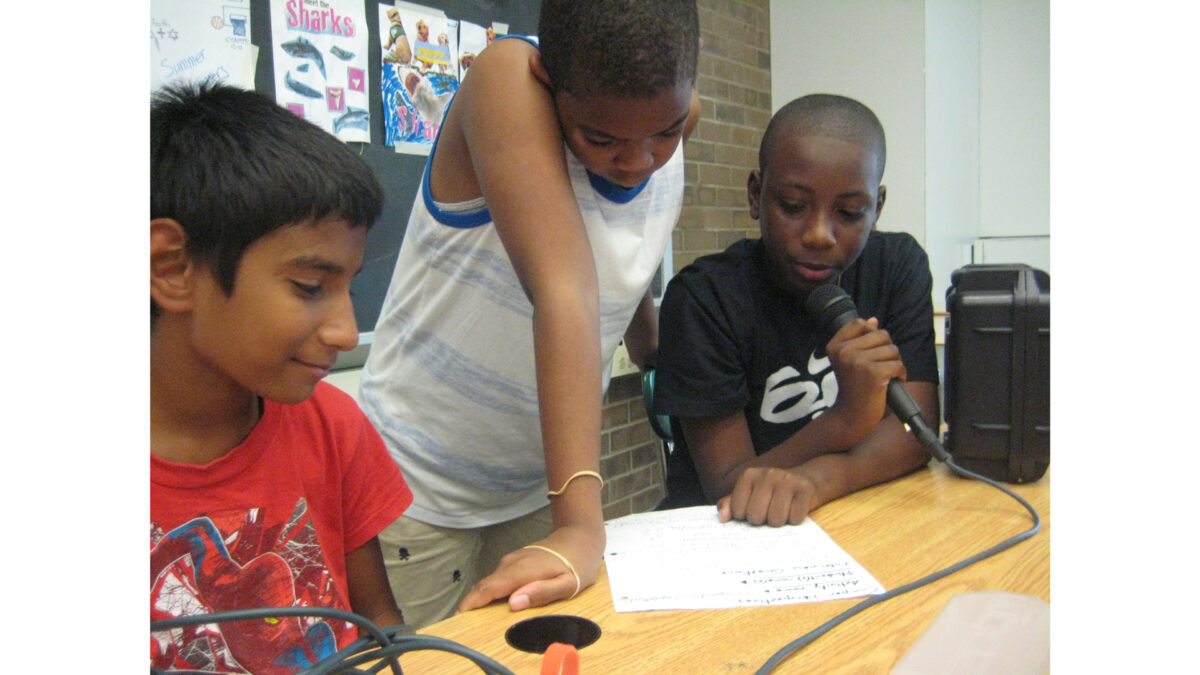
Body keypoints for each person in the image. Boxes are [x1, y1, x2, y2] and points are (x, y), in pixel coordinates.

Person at [360, 0, 701, 627]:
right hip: (418, 488)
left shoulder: (660, 121)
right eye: (600, 138)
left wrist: (651, 344)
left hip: (533, 482)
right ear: (549, 76)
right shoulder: (506, 77)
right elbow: (565, 288)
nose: (638, 160)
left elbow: (617, 252)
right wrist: (580, 526)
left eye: (668, 131)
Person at [149, 81, 413, 672]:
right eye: (310, 288)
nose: (347, 332)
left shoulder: (330, 427)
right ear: (173, 268)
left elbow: (377, 631)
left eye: (349, 287)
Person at [654, 94, 940, 527]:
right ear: (756, 195)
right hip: (720, 536)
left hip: (847, 515)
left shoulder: (897, 266)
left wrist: (822, 479)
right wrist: (846, 420)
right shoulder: (704, 299)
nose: (819, 234)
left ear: (876, 209)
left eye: (849, 212)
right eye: (792, 205)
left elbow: (917, 434)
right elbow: (728, 484)